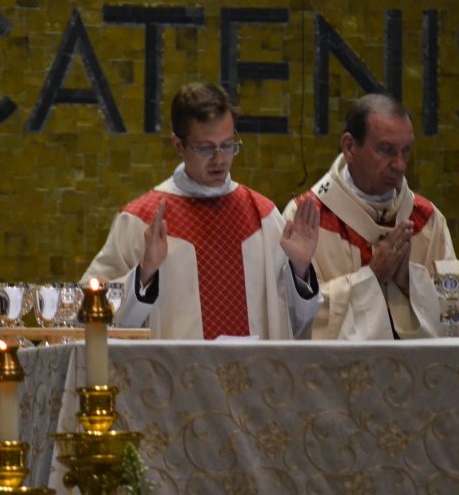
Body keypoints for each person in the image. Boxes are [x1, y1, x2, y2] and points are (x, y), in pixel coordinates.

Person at [82, 81, 321, 340]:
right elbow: (89, 313)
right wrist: (145, 274)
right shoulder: (141, 219)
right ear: (178, 146)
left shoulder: (262, 216)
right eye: (206, 148)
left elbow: (296, 326)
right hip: (174, 377)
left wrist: (300, 270)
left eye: (228, 145)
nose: (220, 159)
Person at [283, 93, 459, 339]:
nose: (399, 165)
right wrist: (373, 276)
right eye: (386, 150)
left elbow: (458, 314)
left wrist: (409, 281)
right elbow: (296, 319)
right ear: (349, 147)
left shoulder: (427, 219)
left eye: (405, 152)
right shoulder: (306, 217)